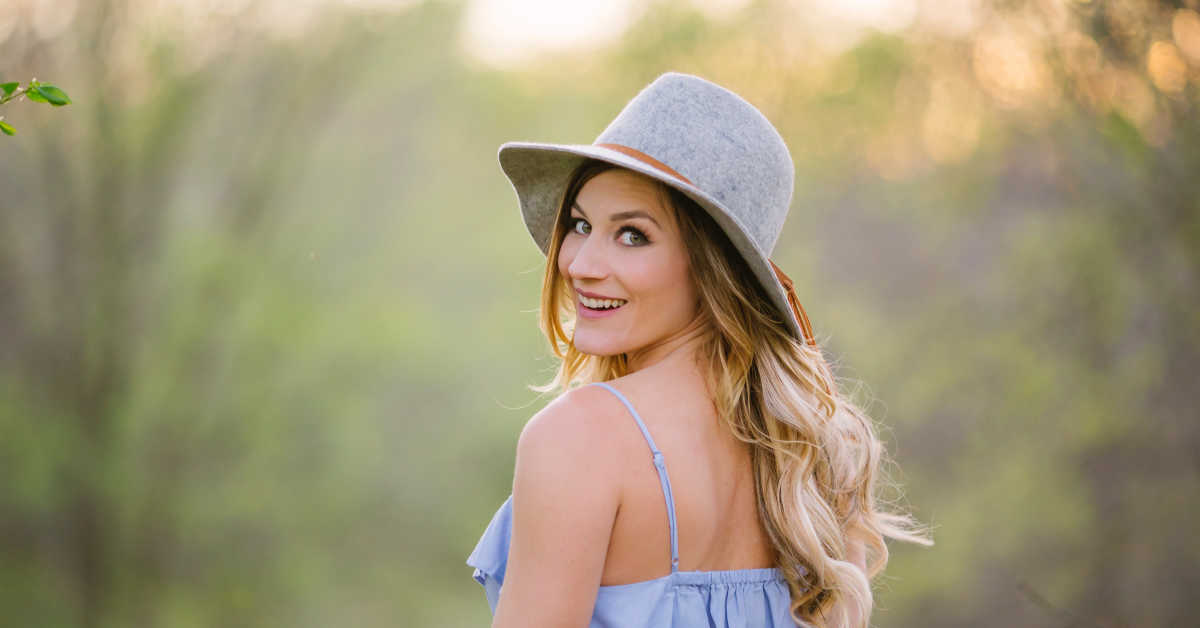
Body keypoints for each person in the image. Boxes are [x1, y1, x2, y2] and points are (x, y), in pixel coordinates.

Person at [467, 72, 932, 628]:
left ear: (714, 266)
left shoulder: (580, 437)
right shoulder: (823, 448)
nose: (581, 265)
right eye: (581, 224)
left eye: (632, 234)